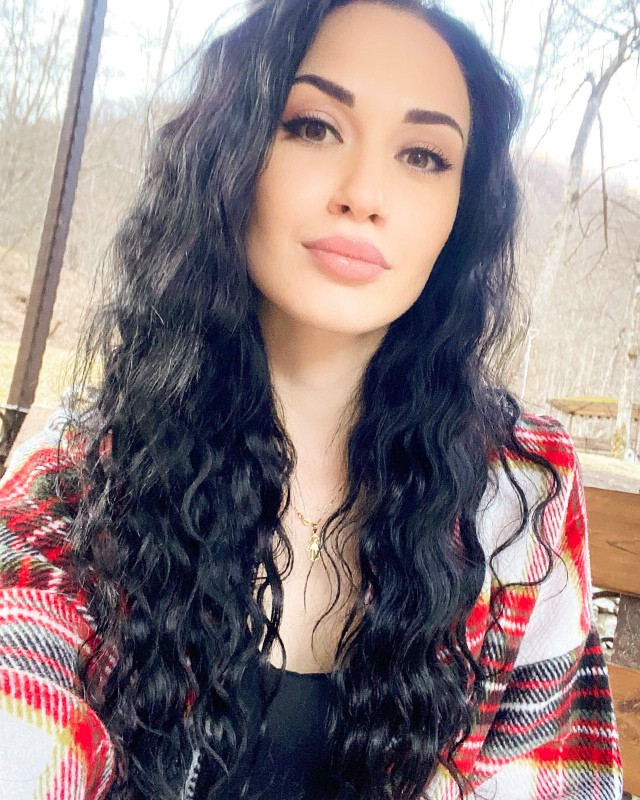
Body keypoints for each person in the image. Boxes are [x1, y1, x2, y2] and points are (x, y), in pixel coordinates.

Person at [0, 1, 623, 798]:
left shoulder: (521, 493)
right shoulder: (81, 469)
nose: (364, 193)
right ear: (231, 158)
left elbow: (546, 775)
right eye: (314, 127)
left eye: (424, 156)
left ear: (460, 215)